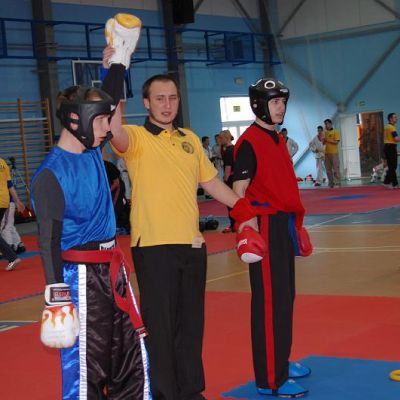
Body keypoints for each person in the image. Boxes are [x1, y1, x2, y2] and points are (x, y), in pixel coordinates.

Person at [101, 17, 256, 399]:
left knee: (191, 325)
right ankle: (165, 393)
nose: (167, 104)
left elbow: (211, 183)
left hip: (192, 245)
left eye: (172, 98)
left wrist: (243, 207)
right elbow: (112, 127)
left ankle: (190, 391)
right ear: (147, 102)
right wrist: (116, 69)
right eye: (159, 98)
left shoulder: (189, 138)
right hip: (154, 247)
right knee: (160, 327)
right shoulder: (136, 138)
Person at [30, 82, 150, 397]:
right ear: (77, 120)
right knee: (87, 369)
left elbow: (109, 96)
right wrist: (57, 299)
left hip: (113, 271)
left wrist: (117, 62)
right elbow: (48, 241)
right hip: (81, 279)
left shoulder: (93, 150)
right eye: (100, 120)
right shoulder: (51, 174)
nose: (108, 128)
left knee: (132, 359)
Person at [232, 78, 312, 398]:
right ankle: (269, 379)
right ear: (259, 105)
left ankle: (281, 362)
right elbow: (238, 190)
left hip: (283, 223)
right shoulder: (249, 142)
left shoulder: (277, 138)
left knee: (285, 298)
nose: (280, 107)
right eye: (274, 102)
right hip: (263, 225)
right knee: (269, 303)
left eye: (282, 102)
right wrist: (245, 228)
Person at [0, 157, 24, 271]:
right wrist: (17, 201)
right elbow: (9, 185)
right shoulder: (2, 163)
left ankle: (12, 257)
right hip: (4, 201)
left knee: (6, 228)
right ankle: (12, 256)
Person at [220, 129, 236, 233]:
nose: (219, 140)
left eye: (221, 138)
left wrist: (225, 180)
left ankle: (233, 225)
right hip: (235, 178)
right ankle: (235, 224)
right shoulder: (234, 148)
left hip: (230, 179)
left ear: (226, 138)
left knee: (230, 203)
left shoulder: (229, 151)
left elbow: (228, 167)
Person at [383, 113, 399, 189]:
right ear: (390, 119)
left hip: (388, 147)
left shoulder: (386, 126)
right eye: (395, 117)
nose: (396, 118)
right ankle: (391, 183)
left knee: (392, 166)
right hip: (390, 148)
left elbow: (390, 139)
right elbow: (396, 139)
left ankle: (389, 183)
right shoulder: (391, 127)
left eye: (396, 117)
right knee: (393, 166)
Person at [323, 118, 341, 188]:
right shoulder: (325, 133)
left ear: (330, 124)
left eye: (327, 124)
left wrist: (327, 140)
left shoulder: (335, 132)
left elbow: (336, 142)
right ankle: (331, 183)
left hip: (334, 153)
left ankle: (338, 182)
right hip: (326, 153)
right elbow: (323, 143)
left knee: (336, 168)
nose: (326, 125)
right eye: (325, 124)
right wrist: (323, 141)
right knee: (328, 169)